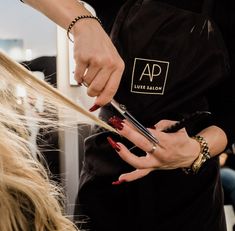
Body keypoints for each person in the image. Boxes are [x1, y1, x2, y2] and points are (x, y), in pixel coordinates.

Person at [20, 0, 234, 231]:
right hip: (107, 181)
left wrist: (198, 147)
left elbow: (229, 113)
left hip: (190, 194)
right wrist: (83, 23)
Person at [0, 50, 117, 231]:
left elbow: (21, 66)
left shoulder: (49, 61)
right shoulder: (52, 61)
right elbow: (18, 67)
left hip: (54, 129)